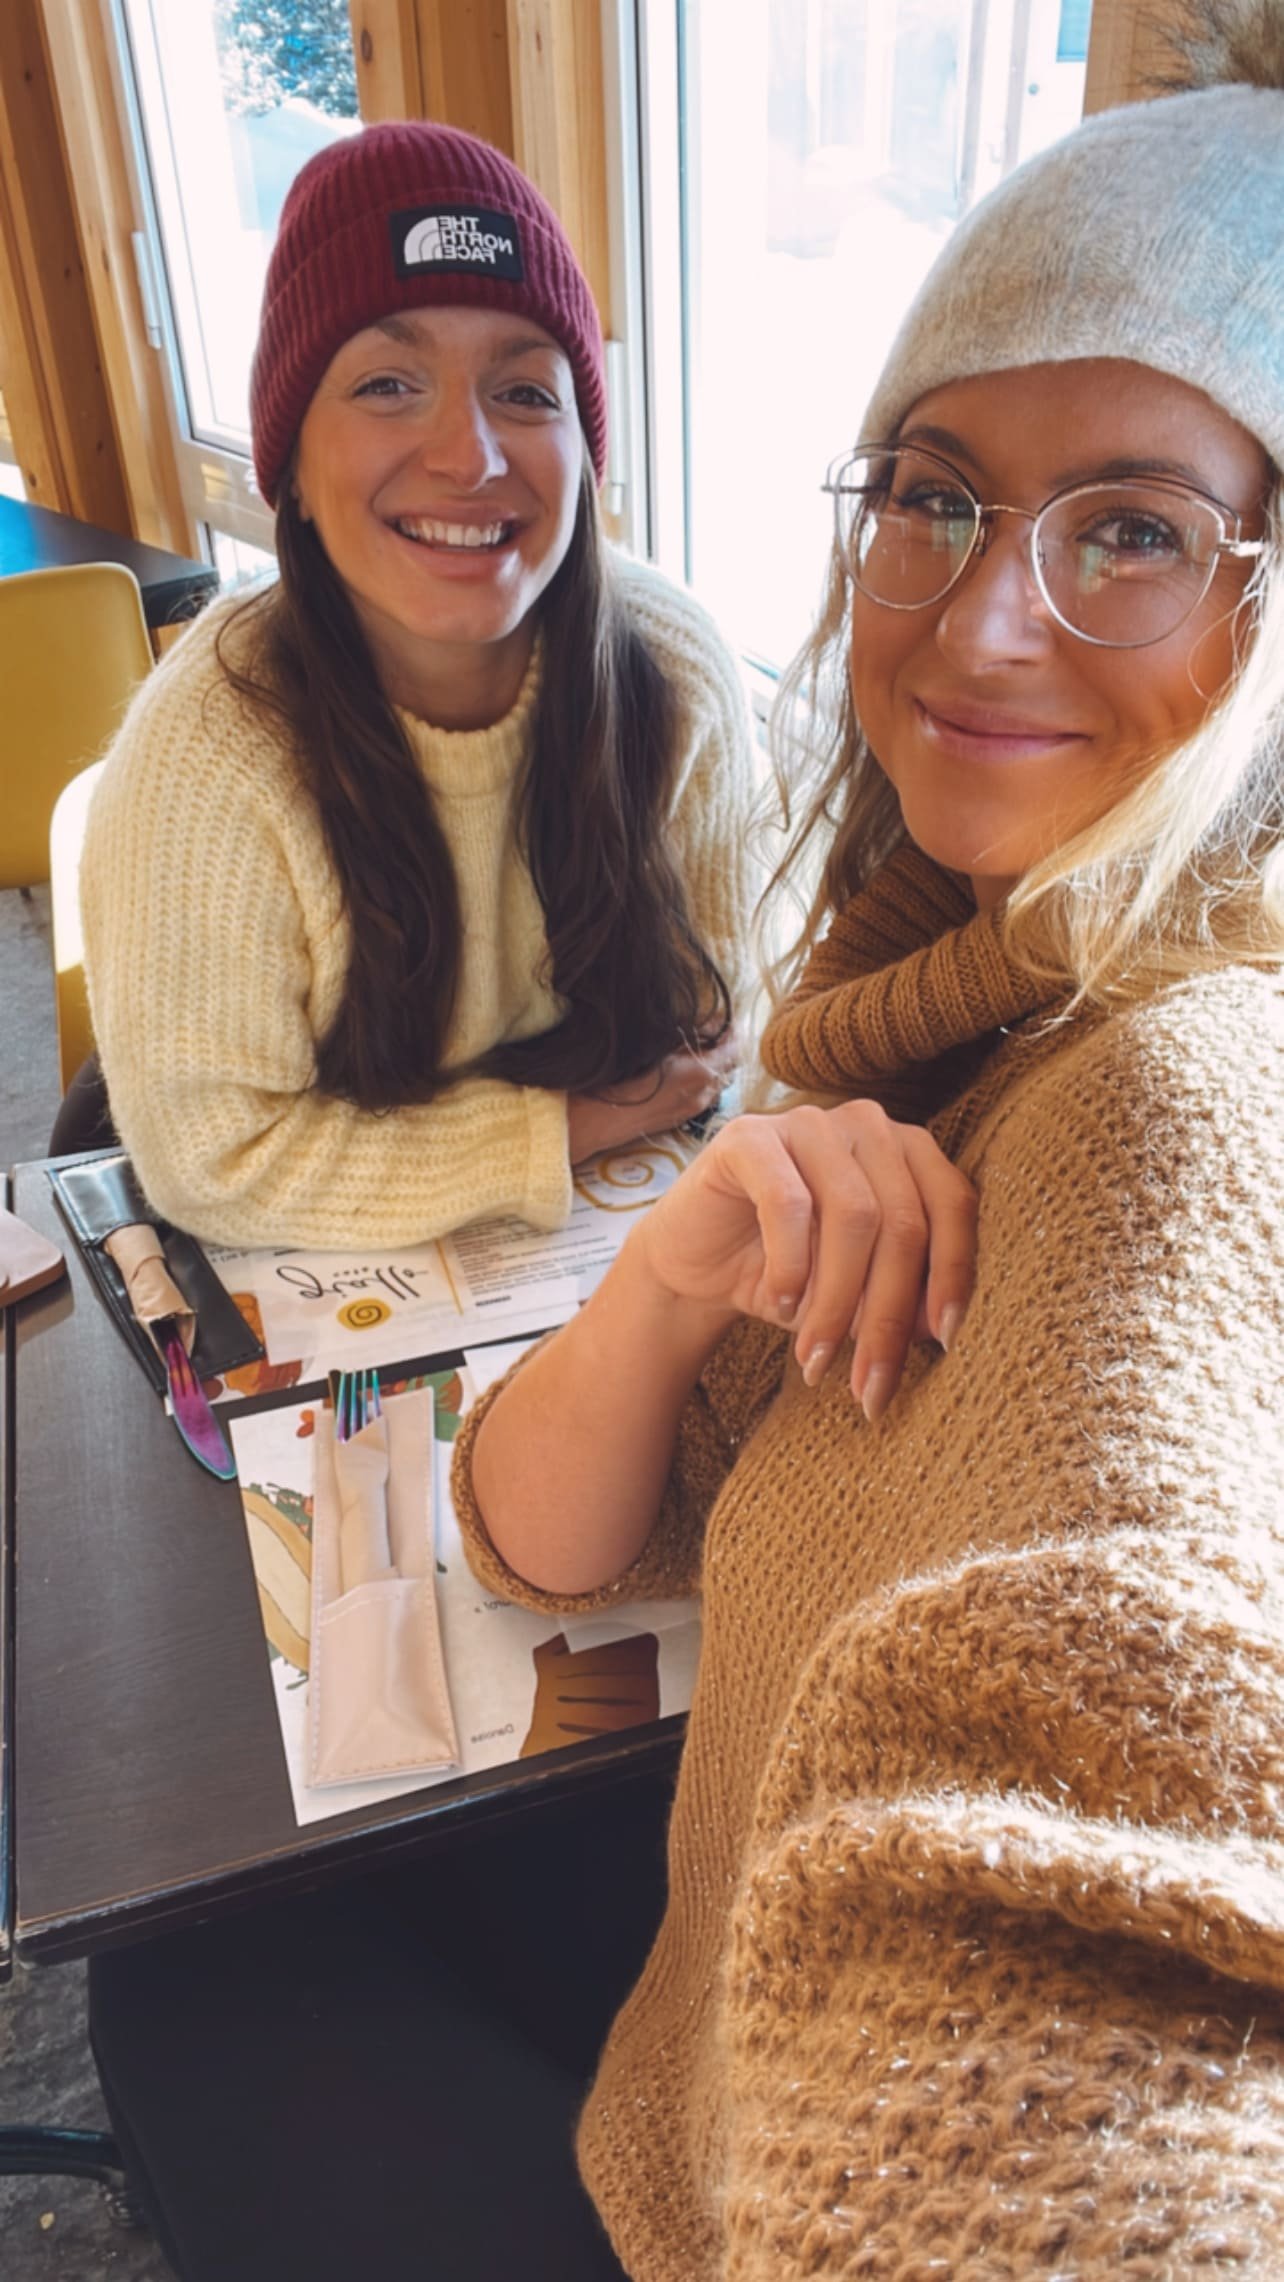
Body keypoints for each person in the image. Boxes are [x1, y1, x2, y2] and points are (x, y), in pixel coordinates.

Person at [456, 17, 1284, 2277]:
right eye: (932, 493)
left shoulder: (1170, 1097)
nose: (975, 614)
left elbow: (1101, 1887)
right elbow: (538, 1551)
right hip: (685, 1961)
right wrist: (665, 1267)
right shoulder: (939, 983)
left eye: (1133, 526)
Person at [78, 121, 754, 1251]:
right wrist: (571, 1124)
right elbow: (216, 1158)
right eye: (389, 384)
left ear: (586, 454)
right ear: (288, 462)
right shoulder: (212, 745)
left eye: (527, 393)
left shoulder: (674, 668)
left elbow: (721, 1029)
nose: (470, 455)